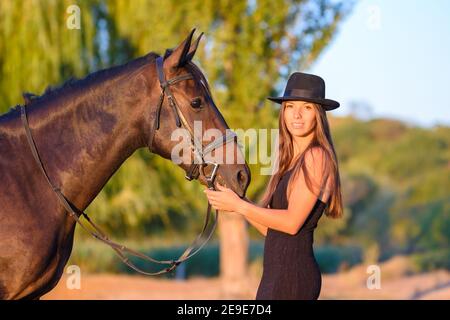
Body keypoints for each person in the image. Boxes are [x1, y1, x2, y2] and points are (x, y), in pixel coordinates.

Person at [204, 71, 344, 300]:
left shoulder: (316, 157)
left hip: (294, 275)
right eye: (290, 106)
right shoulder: (287, 161)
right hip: (275, 276)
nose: (296, 115)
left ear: (318, 115)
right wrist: (234, 199)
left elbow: (291, 224)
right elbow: (271, 231)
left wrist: (240, 206)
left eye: (307, 107)